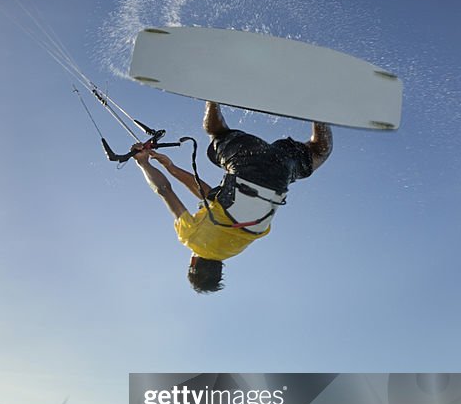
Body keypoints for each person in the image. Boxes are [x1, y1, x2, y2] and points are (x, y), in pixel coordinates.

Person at [132, 102, 332, 293]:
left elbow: (211, 194)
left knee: (319, 151)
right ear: (193, 262)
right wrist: (145, 164)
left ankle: (320, 112)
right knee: (217, 133)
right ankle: (213, 98)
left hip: (282, 172)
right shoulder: (191, 239)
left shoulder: (236, 247)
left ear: (220, 267)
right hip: (244, 158)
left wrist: (172, 167)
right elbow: (165, 190)